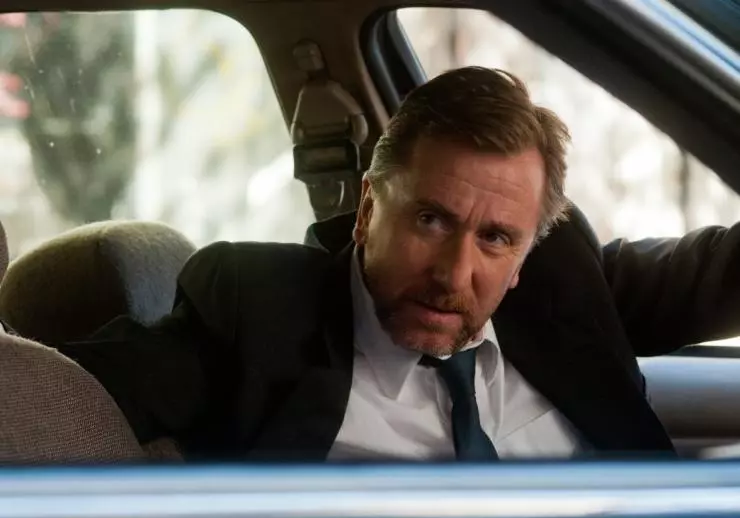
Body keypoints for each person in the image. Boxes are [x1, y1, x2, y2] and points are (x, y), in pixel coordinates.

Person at [58, 66, 740, 462]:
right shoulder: (256, 312)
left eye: (495, 239)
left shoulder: (562, 279)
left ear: (524, 257)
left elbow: (718, 272)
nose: (453, 273)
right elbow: (48, 398)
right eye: (430, 219)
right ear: (366, 211)